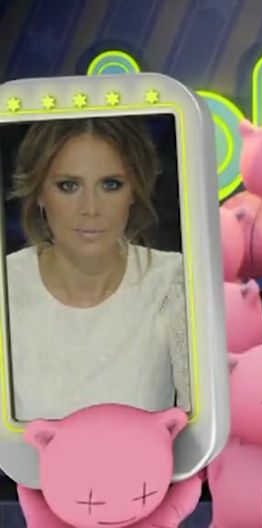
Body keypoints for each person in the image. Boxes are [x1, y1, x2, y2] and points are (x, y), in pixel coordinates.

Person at [5, 116, 191, 421]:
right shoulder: (7, 286)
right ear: (38, 192)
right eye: (68, 186)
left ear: (134, 191)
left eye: (110, 185)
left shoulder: (176, 283)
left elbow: (199, 431)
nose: (91, 208)